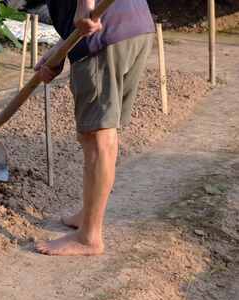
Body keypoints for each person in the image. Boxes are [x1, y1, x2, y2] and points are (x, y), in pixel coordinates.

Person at [34, 0, 155, 256]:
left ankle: (89, 237)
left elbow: (84, 14)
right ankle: (87, 215)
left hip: (102, 32)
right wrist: (60, 51)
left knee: (97, 138)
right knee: (99, 132)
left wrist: (84, 5)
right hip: (134, 25)